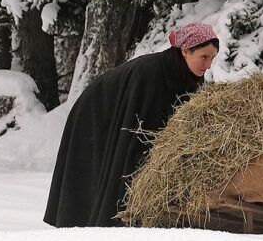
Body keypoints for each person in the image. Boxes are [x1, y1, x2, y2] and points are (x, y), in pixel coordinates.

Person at [44, 23, 220, 227]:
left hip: (118, 113)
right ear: (185, 51)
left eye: (212, 59)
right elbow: (137, 134)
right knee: (109, 170)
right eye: (204, 57)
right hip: (95, 113)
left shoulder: (190, 77)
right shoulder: (153, 74)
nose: (208, 65)